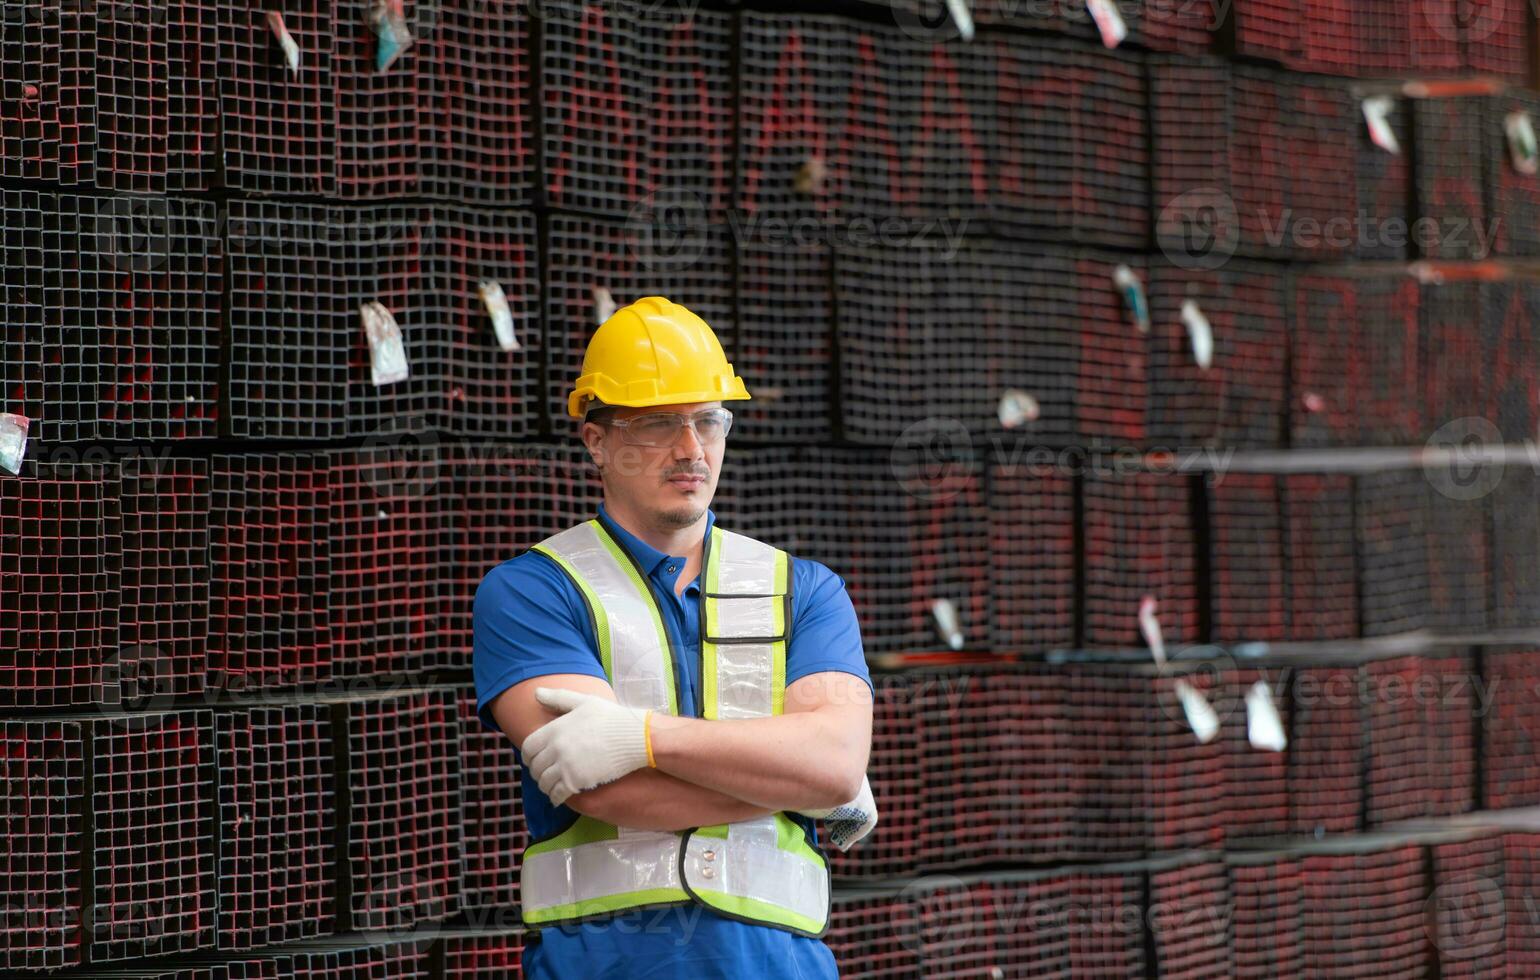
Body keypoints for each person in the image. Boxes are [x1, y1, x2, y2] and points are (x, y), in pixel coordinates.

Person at [474, 295, 878, 979]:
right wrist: (798, 775)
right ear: (596, 440)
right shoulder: (531, 592)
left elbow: (835, 765)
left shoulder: (806, 591)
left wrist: (644, 740)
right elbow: (602, 791)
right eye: (659, 424)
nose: (691, 449)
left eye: (708, 421)